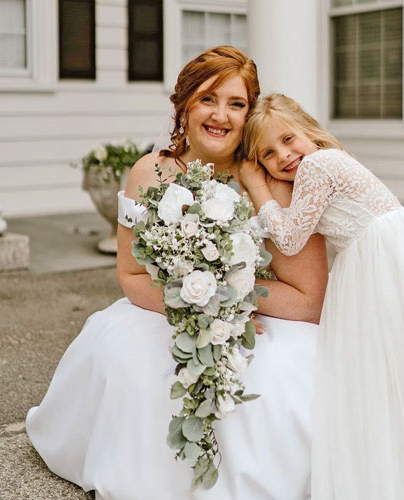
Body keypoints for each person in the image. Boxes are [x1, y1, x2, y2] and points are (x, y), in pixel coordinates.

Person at [26, 49, 328, 500]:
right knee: (129, 360)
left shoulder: (274, 179)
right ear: (184, 103)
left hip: (262, 320)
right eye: (208, 98)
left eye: (237, 103)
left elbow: (307, 301)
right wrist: (192, 305)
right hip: (164, 310)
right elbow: (129, 274)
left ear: (251, 112)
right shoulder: (149, 173)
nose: (221, 115)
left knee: (279, 379)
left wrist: (229, 302)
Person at [240, 93, 404, 500]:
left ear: (309, 132)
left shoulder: (318, 163)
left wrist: (255, 185)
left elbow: (289, 236)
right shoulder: (321, 165)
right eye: (267, 154)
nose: (283, 156)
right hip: (390, 254)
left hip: (389, 261)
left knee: (391, 368)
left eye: (287, 139)